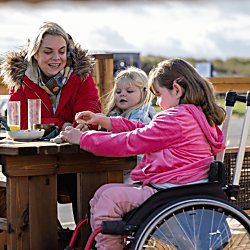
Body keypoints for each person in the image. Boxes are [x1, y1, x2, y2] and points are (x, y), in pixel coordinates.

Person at [60, 58, 226, 249]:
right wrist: (106, 121)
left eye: (158, 95)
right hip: (184, 188)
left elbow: (132, 141)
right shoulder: (195, 115)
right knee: (104, 193)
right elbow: (146, 130)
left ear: (177, 90)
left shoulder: (175, 118)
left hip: (169, 191)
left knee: (107, 198)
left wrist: (83, 139)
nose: (157, 101)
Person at [0, 21, 102, 222]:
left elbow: (90, 106)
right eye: (48, 52)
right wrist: (60, 125)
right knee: (30, 179)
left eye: (62, 51)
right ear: (35, 53)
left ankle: (84, 240)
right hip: (37, 159)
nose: (56, 58)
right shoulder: (21, 78)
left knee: (84, 179)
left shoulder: (81, 75)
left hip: (72, 157)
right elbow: (21, 119)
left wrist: (84, 122)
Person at [101, 66, 156, 183]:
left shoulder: (142, 116)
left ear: (144, 93)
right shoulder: (116, 114)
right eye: (118, 91)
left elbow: (129, 135)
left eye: (129, 91)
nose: (122, 94)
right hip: (121, 169)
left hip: (136, 174)